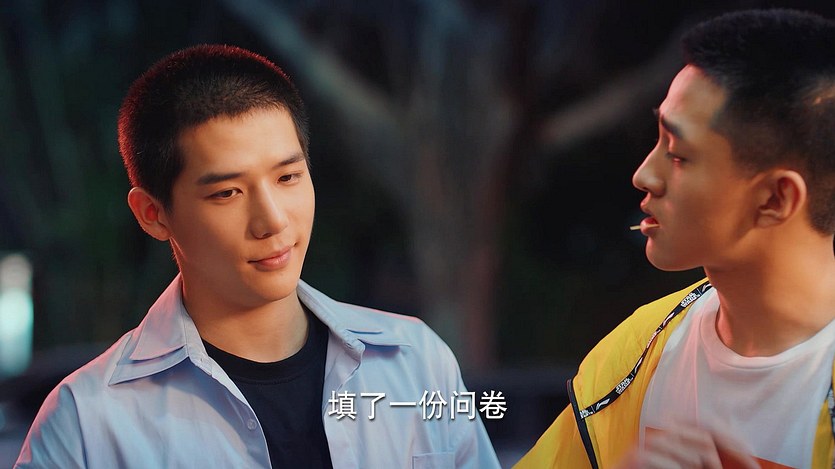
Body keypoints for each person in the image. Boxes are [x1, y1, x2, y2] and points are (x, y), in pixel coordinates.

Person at [15, 44, 500, 469]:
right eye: (227, 193)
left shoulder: (416, 362)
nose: (272, 221)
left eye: (288, 177)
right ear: (152, 214)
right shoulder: (87, 423)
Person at [515, 8, 835, 469]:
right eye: (657, 140)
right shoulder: (637, 352)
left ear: (775, 198)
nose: (644, 175)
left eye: (679, 155)